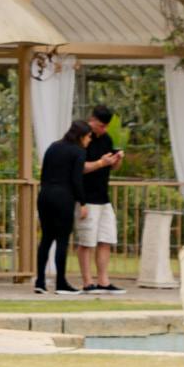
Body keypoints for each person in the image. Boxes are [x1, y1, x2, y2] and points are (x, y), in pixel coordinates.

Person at [33, 115, 90, 292]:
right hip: (63, 197)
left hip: (45, 196)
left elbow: (43, 174)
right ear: (81, 136)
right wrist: (83, 202)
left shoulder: (53, 147)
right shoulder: (79, 152)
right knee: (62, 239)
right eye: (88, 136)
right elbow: (76, 179)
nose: (89, 140)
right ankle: (61, 282)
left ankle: (40, 282)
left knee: (46, 239)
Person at [74, 104, 124, 291]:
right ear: (92, 120)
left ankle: (104, 280)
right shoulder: (83, 138)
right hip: (86, 197)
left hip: (104, 197)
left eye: (105, 126)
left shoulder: (107, 139)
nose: (103, 129)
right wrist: (102, 162)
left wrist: (116, 161)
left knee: (106, 238)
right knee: (87, 240)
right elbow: (80, 167)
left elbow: (111, 167)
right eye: (100, 125)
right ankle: (87, 281)